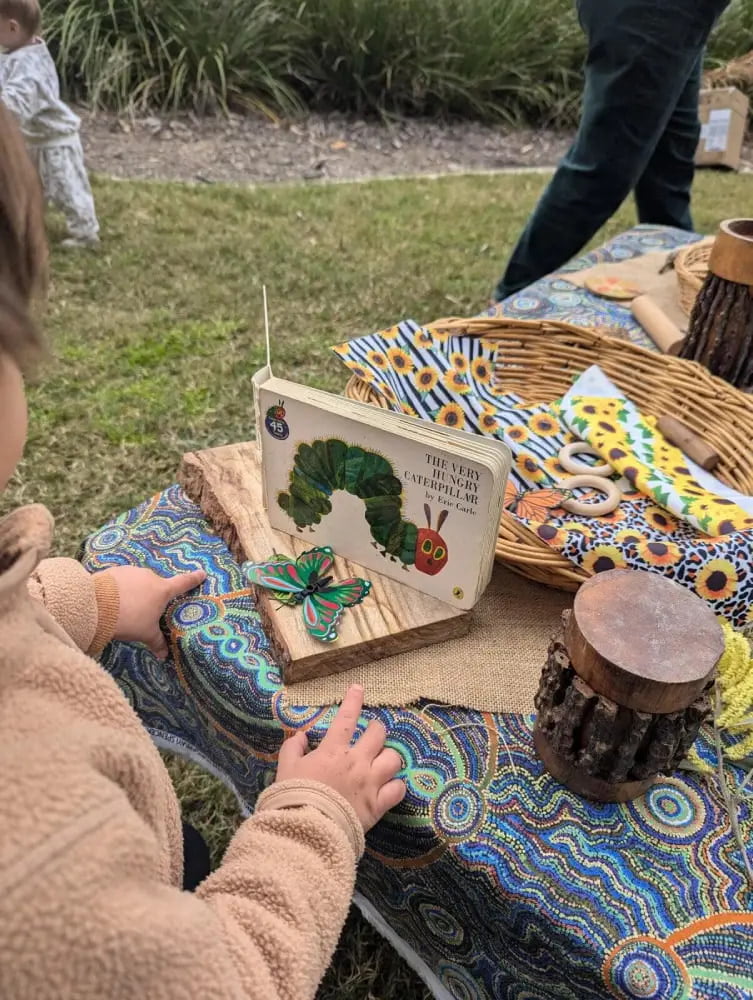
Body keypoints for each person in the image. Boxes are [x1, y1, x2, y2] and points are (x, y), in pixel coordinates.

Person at [0, 103, 406, 998]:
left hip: (126, 844)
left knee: (178, 848)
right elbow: (228, 980)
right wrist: (313, 815)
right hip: (153, 929)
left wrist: (88, 602)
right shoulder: (37, 870)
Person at [492, 0, 730, 302]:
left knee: (669, 157)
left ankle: (677, 285)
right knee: (606, 165)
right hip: (658, 10)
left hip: (683, 14)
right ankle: (511, 301)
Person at [0, 0, 99, 248]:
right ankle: (22, 226)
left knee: (67, 185)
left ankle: (85, 232)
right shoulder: (17, 51)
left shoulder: (31, 67)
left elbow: (17, 103)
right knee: (24, 185)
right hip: (30, 138)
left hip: (55, 140)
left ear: (12, 28)